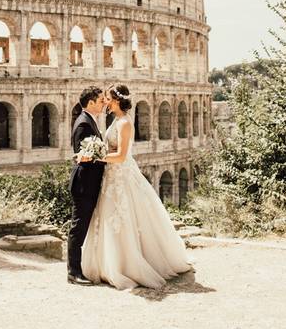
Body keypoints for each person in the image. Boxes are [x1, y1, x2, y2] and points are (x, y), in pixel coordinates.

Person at [80, 84, 192, 289]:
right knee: (110, 218)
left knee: (125, 218)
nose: (105, 101)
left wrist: (94, 156)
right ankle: (109, 264)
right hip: (111, 177)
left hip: (121, 176)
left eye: (108, 98)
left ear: (116, 100)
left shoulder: (124, 123)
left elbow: (121, 156)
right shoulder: (115, 120)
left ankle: (124, 265)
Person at [66, 85, 107, 285]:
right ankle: (73, 272)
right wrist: (104, 157)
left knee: (81, 226)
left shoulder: (89, 121)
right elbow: (82, 156)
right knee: (78, 227)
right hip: (84, 184)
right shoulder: (83, 123)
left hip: (88, 182)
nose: (104, 104)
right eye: (101, 101)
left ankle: (78, 269)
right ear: (90, 102)